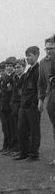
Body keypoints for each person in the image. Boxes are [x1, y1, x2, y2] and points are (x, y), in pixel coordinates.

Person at [14, 46, 40, 161]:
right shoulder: (29, 70)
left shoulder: (38, 70)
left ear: (36, 55)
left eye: (29, 55)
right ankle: (23, 152)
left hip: (32, 106)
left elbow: (40, 88)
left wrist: (33, 102)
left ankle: (34, 154)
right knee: (21, 130)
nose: (27, 58)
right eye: (27, 55)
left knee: (34, 131)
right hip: (23, 106)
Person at [38, 35, 55, 165]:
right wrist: (40, 100)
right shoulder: (43, 63)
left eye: (51, 48)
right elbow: (41, 83)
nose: (48, 51)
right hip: (51, 99)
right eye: (47, 48)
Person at [10, 58, 26, 157]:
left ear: (24, 67)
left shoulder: (25, 77)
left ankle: (24, 149)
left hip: (23, 105)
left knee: (23, 129)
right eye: (15, 68)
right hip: (15, 106)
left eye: (18, 67)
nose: (16, 69)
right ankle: (19, 148)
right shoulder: (15, 78)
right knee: (16, 128)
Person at [0, 61, 9, 152]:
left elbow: (8, 92)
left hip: (7, 107)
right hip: (0, 106)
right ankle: (6, 145)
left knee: (8, 127)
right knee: (4, 127)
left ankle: (10, 146)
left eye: (2, 70)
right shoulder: (0, 80)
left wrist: (1, 91)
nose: (1, 73)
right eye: (0, 71)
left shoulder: (9, 79)